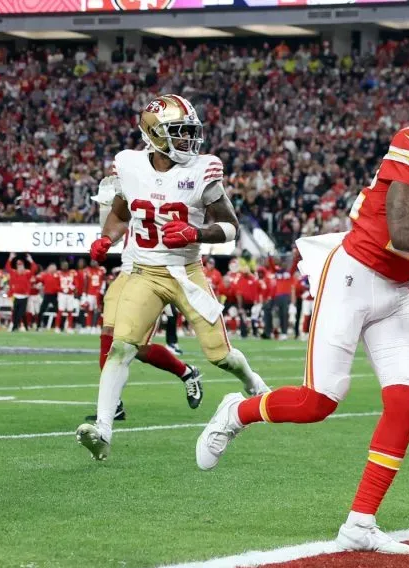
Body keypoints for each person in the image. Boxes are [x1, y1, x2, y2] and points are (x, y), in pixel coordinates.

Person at [194, 65, 409, 554]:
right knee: (319, 402)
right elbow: (401, 230)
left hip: (399, 288)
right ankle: (237, 412)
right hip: (355, 274)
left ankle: (360, 523)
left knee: (407, 400)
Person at [75, 94, 269, 462]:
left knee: (221, 356)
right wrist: (106, 237)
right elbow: (119, 212)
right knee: (122, 346)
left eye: (188, 132)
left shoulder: (202, 169)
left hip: (185, 272)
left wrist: (196, 234)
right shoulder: (130, 166)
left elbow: (230, 227)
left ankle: (251, 381)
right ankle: (103, 430)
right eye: (177, 133)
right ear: (153, 134)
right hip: (145, 271)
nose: (186, 140)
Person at [82, 184, 205, 424]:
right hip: (124, 275)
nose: (103, 209)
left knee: (138, 348)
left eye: (105, 204)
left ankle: (187, 372)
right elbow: (116, 230)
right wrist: (105, 241)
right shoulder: (124, 210)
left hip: (147, 276)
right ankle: (113, 405)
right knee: (110, 337)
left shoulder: (145, 203)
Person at [6, 253, 38, 332]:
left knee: (21, 312)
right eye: (18, 266)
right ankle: (20, 326)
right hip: (16, 296)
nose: (20, 268)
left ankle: (16, 326)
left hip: (24, 296)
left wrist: (31, 260)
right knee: (15, 312)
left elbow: (34, 268)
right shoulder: (14, 273)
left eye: (21, 266)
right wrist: (10, 259)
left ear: (23, 267)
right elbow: (7, 267)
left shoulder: (27, 274)